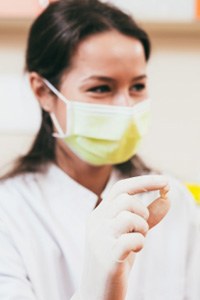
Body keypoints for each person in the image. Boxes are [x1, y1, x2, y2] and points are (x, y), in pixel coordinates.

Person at [0, 0, 199, 299]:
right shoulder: (10, 212)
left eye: (137, 87)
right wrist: (97, 286)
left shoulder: (174, 202)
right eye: (101, 88)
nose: (126, 107)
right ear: (43, 91)